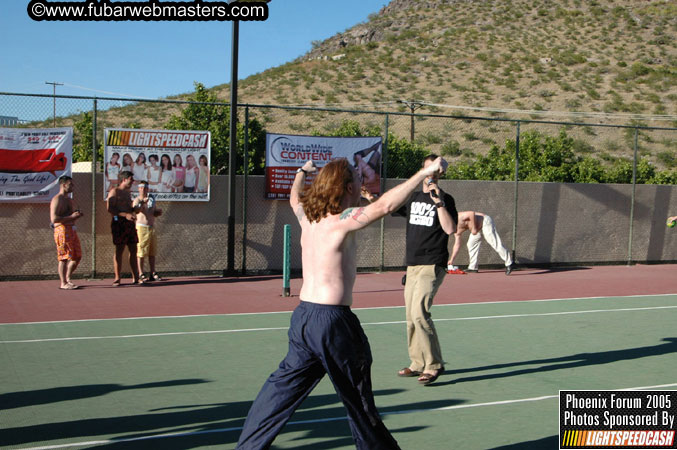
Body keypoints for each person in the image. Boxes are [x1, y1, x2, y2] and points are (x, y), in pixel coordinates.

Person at [236, 156, 449, 450]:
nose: (363, 181)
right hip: (332, 323)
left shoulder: (308, 218)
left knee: (279, 392)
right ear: (348, 187)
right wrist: (424, 172)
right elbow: (385, 206)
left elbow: (294, 199)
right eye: (357, 177)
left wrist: (301, 172)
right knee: (359, 403)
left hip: (303, 320)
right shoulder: (339, 222)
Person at [393, 154, 457, 385]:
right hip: (412, 264)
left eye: (436, 170)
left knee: (420, 313)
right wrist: (370, 197)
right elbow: (390, 206)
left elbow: (450, 229)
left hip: (433, 263)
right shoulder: (412, 198)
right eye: (428, 169)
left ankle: (434, 365)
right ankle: (417, 363)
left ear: (441, 173)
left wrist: (438, 201)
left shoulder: (446, 199)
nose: (432, 174)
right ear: (422, 170)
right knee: (410, 317)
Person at [447, 211, 515, 275]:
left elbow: (471, 213)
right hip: (477, 228)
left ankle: (509, 263)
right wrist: (452, 259)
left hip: (485, 221)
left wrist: (473, 228)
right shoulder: (455, 230)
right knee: (471, 244)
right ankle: (473, 267)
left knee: (494, 243)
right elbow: (457, 244)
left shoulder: (459, 216)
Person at [106, 171, 140, 286]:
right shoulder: (114, 191)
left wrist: (135, 210)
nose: (132, 182)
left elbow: (129, 209)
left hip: (130, 224)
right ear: (124, 179)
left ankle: (136, 276)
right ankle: (117, 278)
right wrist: (125, 215)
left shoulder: (127, 193)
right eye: (131, 179)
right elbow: (110, 209)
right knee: (119, 250)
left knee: (133, 249)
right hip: (118, 223)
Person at [50, 176, 84, 290]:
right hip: (62, 230)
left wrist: (76, 215)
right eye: (71, 184)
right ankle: (63, 283)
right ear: (64, 185)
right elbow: (54, 219)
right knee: (64, 257)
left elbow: (70, 216)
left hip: (71, 229)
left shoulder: (68, 199)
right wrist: (71, 217)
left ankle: (68, 278)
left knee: (77, 256)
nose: (72, 187)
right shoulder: (57, 199)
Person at [133, 181, 163, 282]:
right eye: (141, 187)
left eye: (145, 187)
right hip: (141, 228)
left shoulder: (151, 199)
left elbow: (152, 213)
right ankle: (140, 273)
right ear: (138, 189)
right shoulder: (137, 200)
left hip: (151, 227)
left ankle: (152, 272)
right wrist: (142, 202)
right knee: (141, 252)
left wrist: (157, 212)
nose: (143, 189)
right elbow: (136, 210)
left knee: (152, 252)